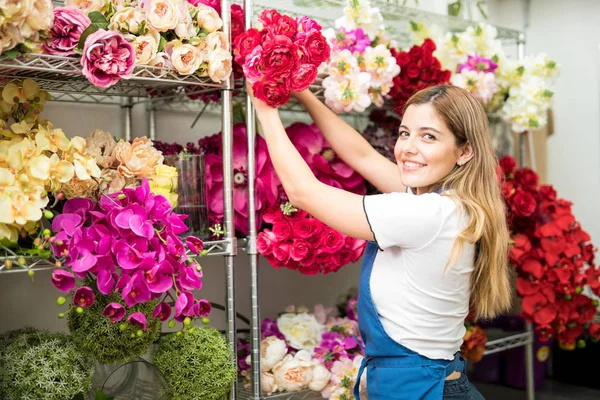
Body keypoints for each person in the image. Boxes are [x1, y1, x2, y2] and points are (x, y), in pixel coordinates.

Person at [248, 84, 513, 400]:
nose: (408, 148)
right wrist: (303, 93)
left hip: (421, 389)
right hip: (428, 383)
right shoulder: (450, 203)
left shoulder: (429, 214)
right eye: (405, 133)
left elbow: (303, 193)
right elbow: (363, 156)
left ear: (464, 150)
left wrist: (264, 107)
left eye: (428, 136)